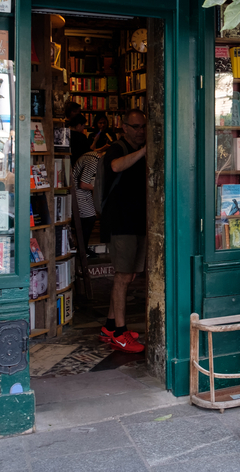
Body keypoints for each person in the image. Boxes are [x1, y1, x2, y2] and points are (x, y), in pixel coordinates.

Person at [100, 110, 148, 353]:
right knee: (121, 276)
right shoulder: (117, 148)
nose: (140, 131)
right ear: (125, 127)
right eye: (136, 127)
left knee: (127, 276)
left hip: (137, 222)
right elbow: (116, 166)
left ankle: (110, 326)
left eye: (143, 127)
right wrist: (142, 153)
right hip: (121, 223)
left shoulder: (137, 146)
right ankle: (120, 332)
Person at [71, 144, 107, 259]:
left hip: (79, 191)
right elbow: (83, 184)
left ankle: (82, 247)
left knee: (89, 218)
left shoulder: (93, 156)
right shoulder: (93, 161)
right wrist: (100, 189)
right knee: (89, 218)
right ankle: (82, 249)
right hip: (78, 191)